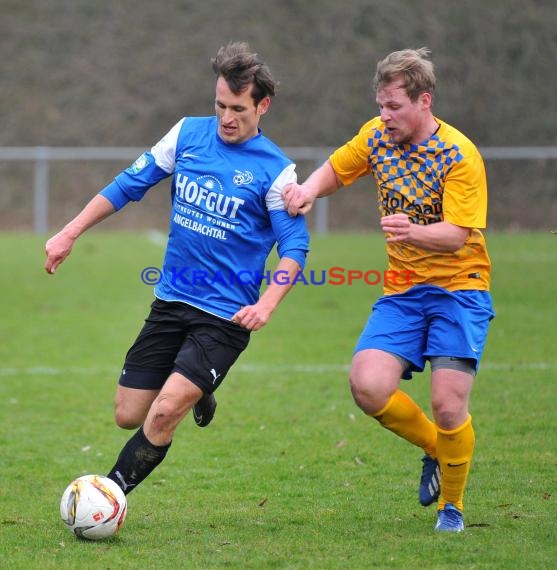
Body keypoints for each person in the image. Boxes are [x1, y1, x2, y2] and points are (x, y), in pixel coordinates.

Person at [45, 42, 309, 496]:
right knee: (128, 414)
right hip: (171, 300)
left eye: (238, 109)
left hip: (224, 317)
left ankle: (107, 498)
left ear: (262, 106)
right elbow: (130, 184)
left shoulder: (277, 172)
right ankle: (201, 390)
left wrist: (267, 304)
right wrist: (70, 232)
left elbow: (296, 245)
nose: (227, 117)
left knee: (164, 412)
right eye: (220, 105)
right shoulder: (187, 134)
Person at [283, 47, 494, 533]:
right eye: (380, 105)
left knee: (447, 404)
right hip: (403, 290)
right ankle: (438, 450)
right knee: (368, 384)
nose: (385, 115)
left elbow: (459, 236)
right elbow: (337, 167)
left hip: (461, 288)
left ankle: (453, 508)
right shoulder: (376, 137)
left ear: (424, 101)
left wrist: (411, 232)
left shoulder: (459, 155)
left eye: (394, 106)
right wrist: (308, 191)